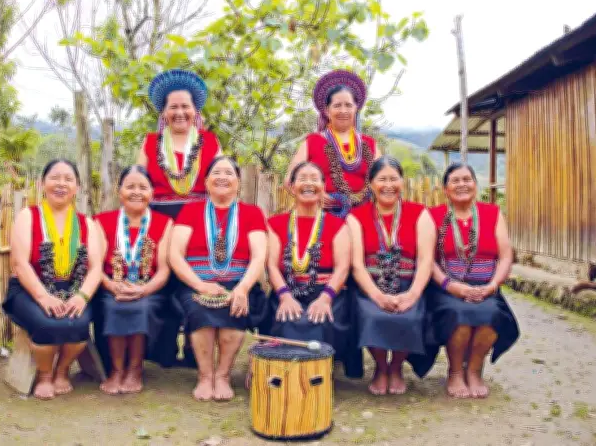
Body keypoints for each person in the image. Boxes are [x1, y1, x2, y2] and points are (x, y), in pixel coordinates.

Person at [2, 160, 104, 400]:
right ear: (42, 183)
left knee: (78, 325)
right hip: (30, 289)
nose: (61, 184)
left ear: (77, 187)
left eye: (68, 179)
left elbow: (96, 267)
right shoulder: (29, 216)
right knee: (47, 324)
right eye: (55, 178)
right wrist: (43, 296)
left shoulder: (85, 223)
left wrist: (82, 297)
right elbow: (20, 263)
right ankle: (45, 375)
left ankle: (62, 370)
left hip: (74, 288)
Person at [169, 156, 268, 401]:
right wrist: (199, 284)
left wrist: (243, 288)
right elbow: (175, 254)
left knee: (234, 310)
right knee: (199, 310)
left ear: (238, 182)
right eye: (216, 173)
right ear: (206, 181)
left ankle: (223, 375)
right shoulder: (191, 210)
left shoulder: (252, 213)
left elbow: (259, 256)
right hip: (196, 282)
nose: (222, 178)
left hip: (239, 282)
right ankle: (205, 376)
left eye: (228, 173)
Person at [426, 163, 520, 399]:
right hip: (448, 289)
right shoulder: (433, 216)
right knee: (459, 315)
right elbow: (428, 260)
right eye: (455, 181)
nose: (462, 185)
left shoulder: (492, 213)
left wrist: (493, 285)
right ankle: (456, 371)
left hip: (486, 288)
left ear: (475, 186)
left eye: (467, 179)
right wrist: (451, 286)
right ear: (445, 189)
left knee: (491, 315)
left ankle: (475, 371)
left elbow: (506, 255)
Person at [263, 161, 360, 377]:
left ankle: (319, 375)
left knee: (320, 319)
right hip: (287, 290)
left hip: (328, 292)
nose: (308, 183)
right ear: (292, 186)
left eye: (314, 179)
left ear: (323, 187)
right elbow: (271, 265)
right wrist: (285, 297)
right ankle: (288, 374)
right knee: (289, 319)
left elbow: (343, 267)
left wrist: (325, 298)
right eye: (302, 178)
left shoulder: (337, 225)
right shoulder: (276, 223)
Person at [347, 157, 434, 395]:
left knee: (408, 316)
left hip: (408, 284)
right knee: (372, 315)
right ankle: (380, 367)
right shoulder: (356, 216)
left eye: (393, 179)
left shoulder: (420, 214)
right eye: (381, 179)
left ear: (402, 182)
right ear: (371, 184)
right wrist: (376, 295)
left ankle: (396, 367)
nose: (388, 185)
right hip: (370, 286)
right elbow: (356, 264)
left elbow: (426, 259)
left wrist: (413, 294)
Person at [93, 166, 174, 395]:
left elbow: (164, 270)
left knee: (141, 306)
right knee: (114, 305)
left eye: (143, 187)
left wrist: (144, 289)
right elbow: (95, 267)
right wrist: (111, 285)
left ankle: (135, 369)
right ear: (120, 192)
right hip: (111, 287)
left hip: (150, 289)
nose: (136, 192)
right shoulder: (101, 221)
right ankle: (117, 370)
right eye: (130, 186)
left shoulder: (164, 223)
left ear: (152, 193)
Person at [286, 70, 381, 218]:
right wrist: (313, 193)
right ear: (327, 111)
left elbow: (383, 178)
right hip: (321, 217)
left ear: (356, 109)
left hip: (365, 217)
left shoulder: (369, 144)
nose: (343, 110)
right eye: (337, 106)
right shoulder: (313, 142)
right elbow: (290, 180)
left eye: (348, 105)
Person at [137, 69, 222, 219]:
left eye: (185, 106)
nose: (180, 113)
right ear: (163, 112)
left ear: (195, 110)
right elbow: (138, 184)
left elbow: (222, 182)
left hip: (201, 223)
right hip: (158, 223)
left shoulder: (210, 142)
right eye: (173, 107)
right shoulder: (150, 143)